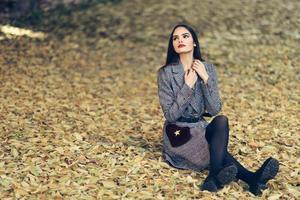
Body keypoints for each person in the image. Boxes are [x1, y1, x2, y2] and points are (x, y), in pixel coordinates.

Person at [156, 23, 279, 196]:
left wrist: (206, 80)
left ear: (194, 43)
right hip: (178, 132)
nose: (180, 40)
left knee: (222, 121)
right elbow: (171, 114)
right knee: (216, 150)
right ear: (173, 45)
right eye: (175, 38)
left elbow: (214, 109)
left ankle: (215, 176)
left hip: (200, 128)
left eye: (185, 36)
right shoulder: (166, 73)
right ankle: (251, 178)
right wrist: (188, 86)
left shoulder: (208, 69)